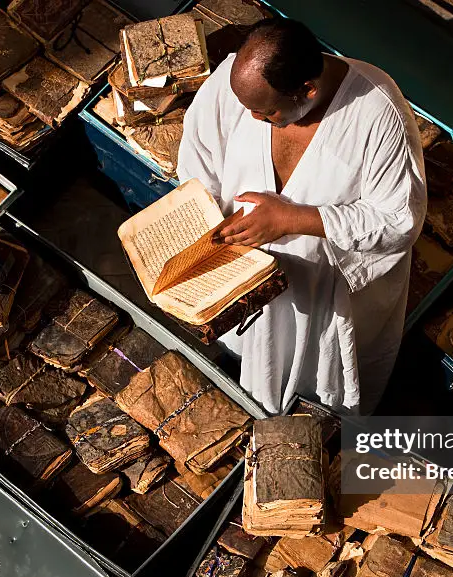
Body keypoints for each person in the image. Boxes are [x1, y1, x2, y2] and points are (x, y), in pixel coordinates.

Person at [177, 17, 426, 415]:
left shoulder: (378, 114)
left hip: (321, 300)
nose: (254, 119)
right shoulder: (235, 82)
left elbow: (398, 220)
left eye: (267, 113)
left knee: (311, 394)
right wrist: (202, 221)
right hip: (241, 281)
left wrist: (294, 220)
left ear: (307, 89)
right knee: (249, 362)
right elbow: (200, 153)